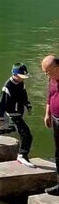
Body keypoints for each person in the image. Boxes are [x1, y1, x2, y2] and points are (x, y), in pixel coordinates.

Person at [0, 64, 35, 167]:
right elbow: (2, 102)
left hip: (18, 111)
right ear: (14, 74)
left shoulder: (21, 83)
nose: (22, 79)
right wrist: (0, 115)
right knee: (27, 134)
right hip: (12, 112)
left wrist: (27, 104)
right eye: (20, 77)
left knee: (12, 127)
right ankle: (22, 155)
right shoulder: (8, 86)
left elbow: (24, 95)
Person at [41, 55, 59, 195]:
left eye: (47, 71)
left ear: (57, 68)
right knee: (58, 153)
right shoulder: (52, 79)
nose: (46, 74)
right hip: (55, 118)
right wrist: (47, 113)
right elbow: (50, 95)